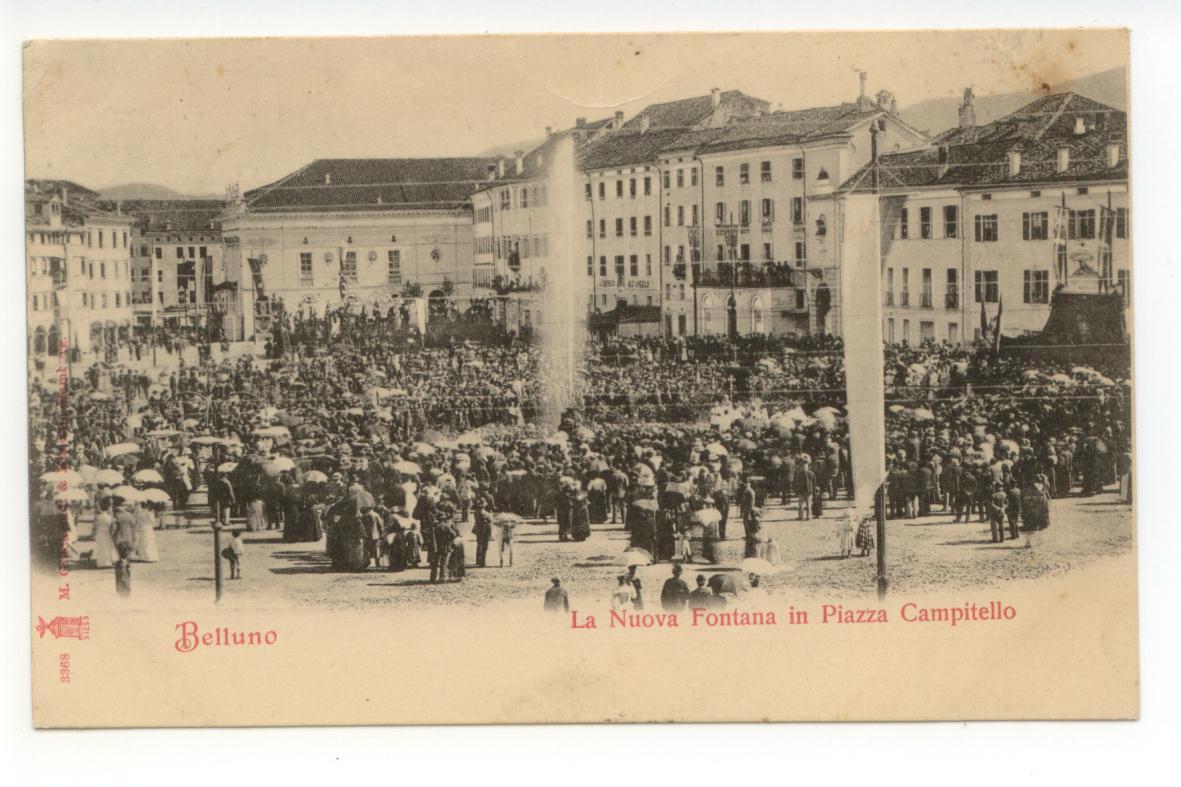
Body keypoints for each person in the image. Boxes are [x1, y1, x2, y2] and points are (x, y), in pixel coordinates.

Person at [472, 500, 492, 567]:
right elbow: (490, 520)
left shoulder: (476, 512)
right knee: (485, 546)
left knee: (479, 544)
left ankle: (478, 560)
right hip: (484, 531)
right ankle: (482, 562)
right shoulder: (485, 513)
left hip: (478, 530)